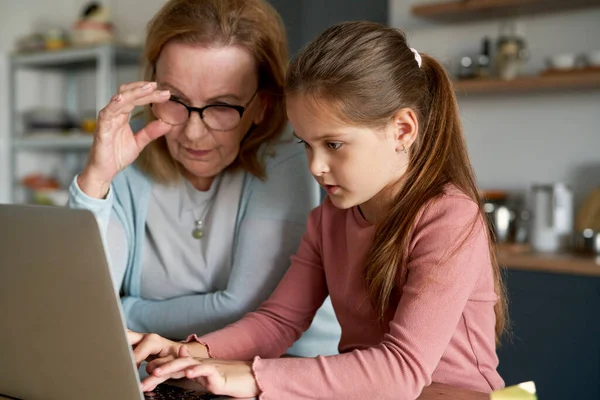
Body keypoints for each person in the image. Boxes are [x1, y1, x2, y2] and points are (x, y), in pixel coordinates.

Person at [127, 21, 508, 400]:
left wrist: (254, 377)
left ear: (403, 130)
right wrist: (190, 354)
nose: (315, 166)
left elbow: (401, 370)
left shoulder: (450, 217)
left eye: (334, 145)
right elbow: (278, 321)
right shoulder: (329, 217)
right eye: (307, 144)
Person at [67, 0, 340, 357]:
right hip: (163, 371)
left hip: (281, 369)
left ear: (263, 105)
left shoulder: (287, 151)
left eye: (223, 106)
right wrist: (96, 181)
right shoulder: (131, 143)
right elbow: (83, 303)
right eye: (175, 99)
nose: (193, 133)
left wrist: (128, 312)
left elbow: (243, 308)